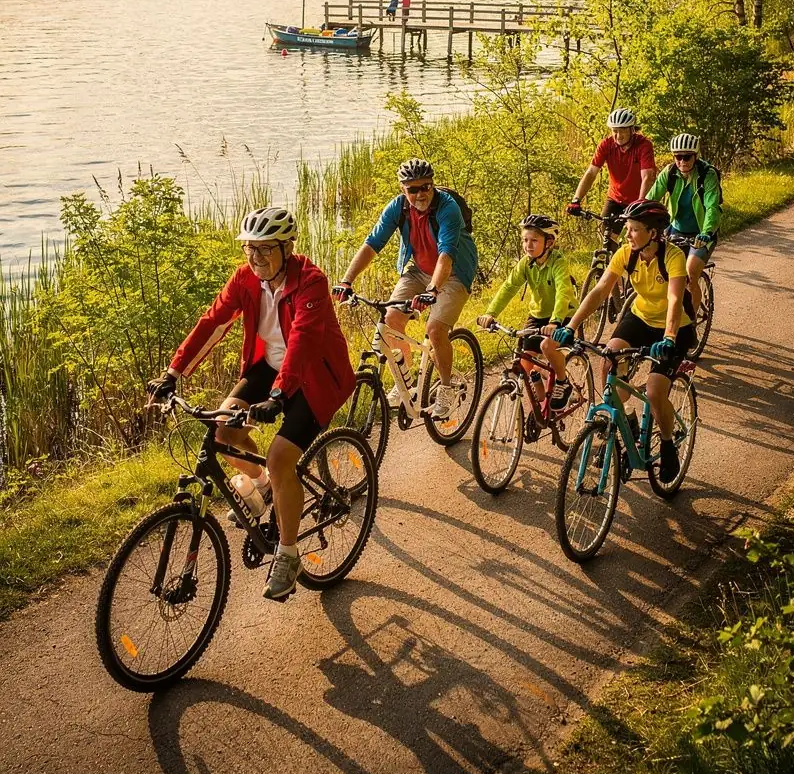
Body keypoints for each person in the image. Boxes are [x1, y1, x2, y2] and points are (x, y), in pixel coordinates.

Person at [146, 206, 355, 602]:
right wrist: (173, 373)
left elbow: (303, 340)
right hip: (269, 369)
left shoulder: (311, 281)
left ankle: (288, 555)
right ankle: (263, 488)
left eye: (265, 249)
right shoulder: (245, 278)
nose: (255, 257)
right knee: (223, 432)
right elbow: (213, 322)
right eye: (249, 249)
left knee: (281, 459)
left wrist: (279, 395)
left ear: (287, 248)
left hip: (315, 378)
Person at [554, 199, 696, 484]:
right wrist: (571, 326)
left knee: (655, 391)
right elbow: (599, 291)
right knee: (609, 363)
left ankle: (667, 443)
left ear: (652, 233)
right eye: (627, 228)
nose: (627, 234)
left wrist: (668, 337)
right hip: (640, 317)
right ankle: (625, 419)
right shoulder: (625, 254)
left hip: (674, 328)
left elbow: (674, 299)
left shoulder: (673, 257)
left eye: (633, 229)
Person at [334, 158, 478, 419]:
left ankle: (446, 388)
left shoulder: (447, 207)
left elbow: (446, 256)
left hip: (454, 273)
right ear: (403, 189)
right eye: (413, 189)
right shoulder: (398, 207)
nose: (420, 194)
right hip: (418, 269)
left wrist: (432, 290)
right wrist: (347, 281)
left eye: (425, 187)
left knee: (435, 329)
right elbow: (372, 244)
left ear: (432, 185)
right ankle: (406, 382)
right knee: (391, 319)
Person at [477, 214, 577, 411]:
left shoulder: (558, 262)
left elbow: (563, 293)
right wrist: (491, 313)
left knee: (548, 347)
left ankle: (563, 382)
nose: (528, 245)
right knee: (525, 363)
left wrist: (555, 322)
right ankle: (539, 406)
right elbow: (508, 287)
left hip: (563, 315)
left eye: (534, 241)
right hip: (538, 315)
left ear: (549, 242)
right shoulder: (526, 263)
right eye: (525, 240)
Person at [647, 132, 721, 312]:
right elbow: (650, 199)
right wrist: (637, 218)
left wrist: (706, 232)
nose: (682, 161)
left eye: (687, 157)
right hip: (675, 229)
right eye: (678, 157)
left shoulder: (707, 174)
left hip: (702, 233)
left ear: (695, 156)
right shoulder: (670, 172)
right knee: (660, 268)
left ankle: (691, 321)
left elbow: (712, 207)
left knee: (690, 271)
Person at [567, 108, 656, 231]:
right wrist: (576, 200)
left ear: (632, 129)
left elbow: (647, 177)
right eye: (615, 131)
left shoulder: (644, 145)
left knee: (636, 235)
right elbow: (591, 173)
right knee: (605, 232)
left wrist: (640, 204)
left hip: (638, 200)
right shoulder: (606, 145)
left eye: (622, 131)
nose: (618, 136)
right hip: (615, 199)